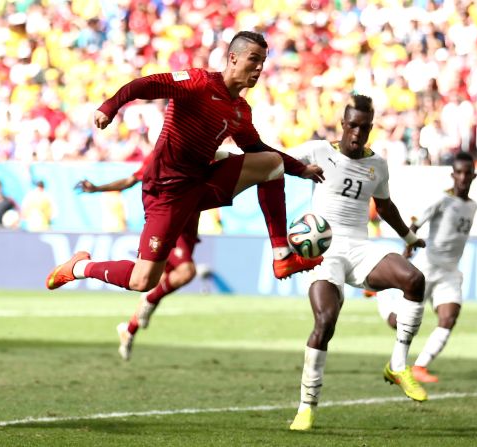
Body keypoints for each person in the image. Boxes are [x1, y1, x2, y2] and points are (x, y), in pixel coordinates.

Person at [45, 31, 325, 294]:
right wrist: (110, 106)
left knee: (271, 162)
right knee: (143, 281)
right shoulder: (198, 82)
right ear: (233, 58)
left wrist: (301, 169)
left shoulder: (240, 111)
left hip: (201, 181)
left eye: (263, 62)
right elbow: (147, 84)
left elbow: (257, 148)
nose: (259, 68)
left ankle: (282, 256)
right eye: (254, 59)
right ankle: (79, 267)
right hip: (166, 191)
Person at [286, 95, 427, 431]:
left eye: (364, 128)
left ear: (370, 129)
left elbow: (386, 206)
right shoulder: (319, 150)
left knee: (415, 279)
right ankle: (307, 406)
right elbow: (276, 160)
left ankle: (398, 364)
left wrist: (408, 238)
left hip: (360, 248)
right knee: (326, 322)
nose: (357, 133)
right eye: (352, 126)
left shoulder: (377, 165)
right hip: (325, 250)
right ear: (343, 124)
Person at [75, 151, 200, 361]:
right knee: (185, 272)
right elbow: (130, 180)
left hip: (187, 231)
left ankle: (129, 330)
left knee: (162, 281)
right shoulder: (160, 156)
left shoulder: (204, 151)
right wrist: (97, 188)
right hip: (168, 226)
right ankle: (148, 299)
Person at [375, 152, 477, 384]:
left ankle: (420, 367)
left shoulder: (473, 206)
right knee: (399, 323)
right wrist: (409, 244)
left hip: (450, 271)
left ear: (474, 175)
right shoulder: (441, 200)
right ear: (453, 175)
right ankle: (380, 294)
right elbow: (416, 223)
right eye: (459, 173)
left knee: (449, 318)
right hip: (428, 266)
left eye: (467, 173)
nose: (463, 177)